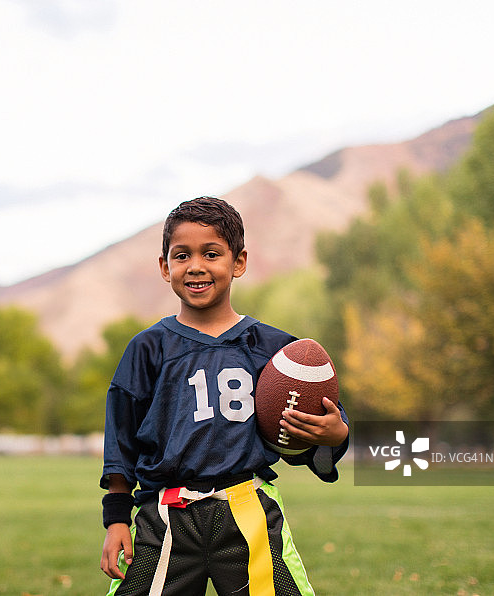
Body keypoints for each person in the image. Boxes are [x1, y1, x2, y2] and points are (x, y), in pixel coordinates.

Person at [99, 196, 349, 595]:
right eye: (182, 255)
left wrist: (335, 434)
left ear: (239, 262)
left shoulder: (276, 351)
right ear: (165, 267)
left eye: (211, 253)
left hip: (247, 506)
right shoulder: (147, 348)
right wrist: (116, 520)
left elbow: (306, 432)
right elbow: (121, 442)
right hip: (165, 515)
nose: (196, 266)